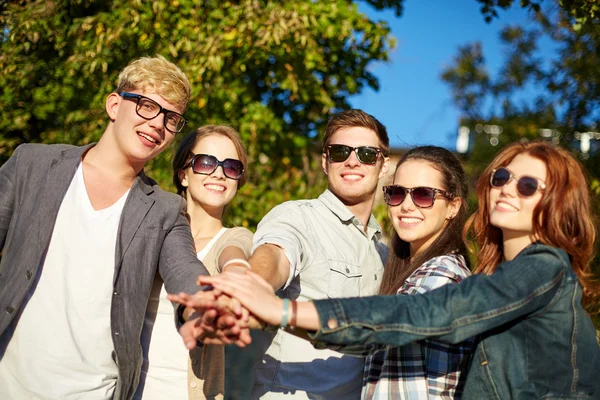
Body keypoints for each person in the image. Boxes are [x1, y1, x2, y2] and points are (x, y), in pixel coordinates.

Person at [190, 141, 600, 399]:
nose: (509, 188)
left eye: (529, 185)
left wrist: (283, 310)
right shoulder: (490, 280)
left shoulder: (543, 268)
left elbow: (428, 314)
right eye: (503, 176)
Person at [0, 55, 211, 400]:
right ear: (114, 105)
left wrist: (203, 305)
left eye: (171, 118)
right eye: (146, 105)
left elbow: (185, 269)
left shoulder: (165, 209)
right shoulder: (32, 165)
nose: (158, 124)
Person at [218, 109, 391, 399]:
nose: (352, 160)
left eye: (366, 154)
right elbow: (274, 254)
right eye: (340, 152)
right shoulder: (298, 217)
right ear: (325, 162)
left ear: (383, 164)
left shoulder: (385, 252)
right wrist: (254, 286)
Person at [135, 125, 253, 400]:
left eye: (231, 167)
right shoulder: (151, 232)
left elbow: (235, 254)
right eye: (206, 163)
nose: (219, 173)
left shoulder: (235, 237)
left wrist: (237, 272)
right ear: (183, 175)